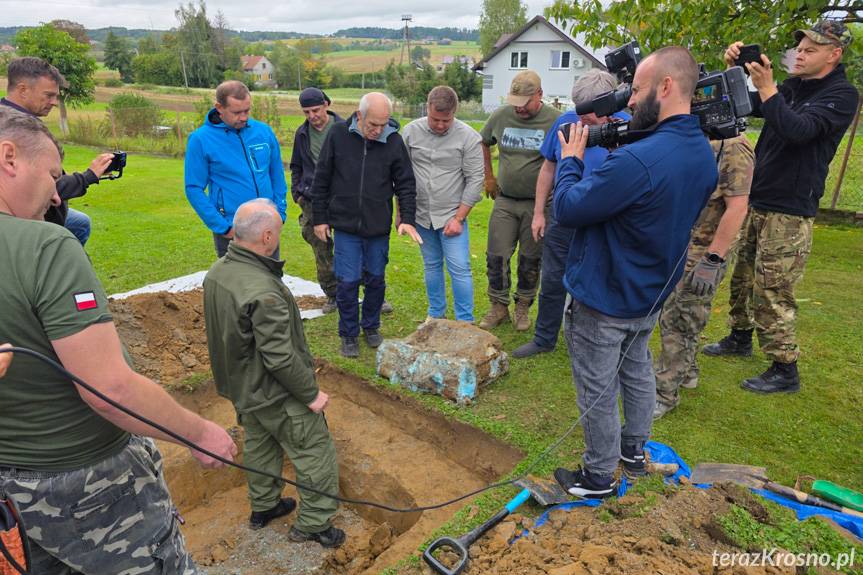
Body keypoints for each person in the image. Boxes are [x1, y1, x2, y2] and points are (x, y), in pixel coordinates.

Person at [0, 106, 237, 573]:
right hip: (88, 478)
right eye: (52, 174)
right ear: (8, 157)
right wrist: (200, 433)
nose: (55, 194)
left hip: (12, 496)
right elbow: (109, 390)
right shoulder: (45, 245)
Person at [551, 47, 718, 498]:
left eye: (638, 89)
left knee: (598, 387)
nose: (629, 101)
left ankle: (599, 476)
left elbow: (567, 208)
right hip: (649, 291)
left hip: (605, 294)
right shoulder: (701, 150)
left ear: (666, 87)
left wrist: (571, 160)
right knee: (638, 370)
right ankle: (632, 453)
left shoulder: (637, 161)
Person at [704, 21, 859, 394]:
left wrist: (769, 87)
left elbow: (798, 130)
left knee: (773, 287)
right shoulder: (792, 87)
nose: (800, 55)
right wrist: (737, 72)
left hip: (790, 207)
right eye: (800, 48)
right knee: (741, 277)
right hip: (758, 195)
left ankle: (784, 367)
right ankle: (739, 337)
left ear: (834, 55)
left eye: (810, 50)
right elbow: (752, 105)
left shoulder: (841, 95)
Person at [203, 198, 345, 548]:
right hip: (276, 393)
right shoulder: (263, 290)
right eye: (278, 234)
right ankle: (313, 524)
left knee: (261, 448)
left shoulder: (218, 271)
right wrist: (310, 395)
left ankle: (264, 507)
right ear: (266, 236)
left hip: (244, 389)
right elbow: (279, 357)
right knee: (314, 452)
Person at [511, 69, 629, 358]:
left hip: (607, 221)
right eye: (579, 111)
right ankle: (544, 338)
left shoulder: (630, 127)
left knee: (602, 282)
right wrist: (539, 213)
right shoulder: (565, 123)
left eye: (588, 114)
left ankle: (599, 345)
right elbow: (549, 167)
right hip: (565, 216)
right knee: (553, 278)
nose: (582, 119)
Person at [311, 92, 421, 358]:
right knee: (347, 282)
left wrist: (407, 219)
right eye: (373, 124)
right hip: (346, 225)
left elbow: (405, 183)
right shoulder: (337, 135)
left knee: (375, 279)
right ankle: (348, 334)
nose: (378, 130)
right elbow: (322, 177)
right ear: (359, 116)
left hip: (377, 228)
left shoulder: (393, 142)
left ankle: (370, 326)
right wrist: (320, 218)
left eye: (384, 124)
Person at [653, 135, 754, 419]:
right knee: (685, 315)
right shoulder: (699, 140)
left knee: (679, 319)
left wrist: (713, 258)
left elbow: (738, 207)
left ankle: (664, 393)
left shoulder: (735, 147)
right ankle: (687, 372)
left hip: (703, 252)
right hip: (682, 246)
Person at [2, 56, 115, 246]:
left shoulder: (22, 121)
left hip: (48, 216)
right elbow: (39, 186)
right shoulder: (11, 130)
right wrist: (89, 176)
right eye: (48, 95)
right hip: (31, 222)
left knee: (80, 223)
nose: (54, 102)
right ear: (22, 90)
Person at [479, 70, 561, 331]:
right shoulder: (501, 115)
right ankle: (498, 305)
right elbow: (484, 141)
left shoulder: (556, 120)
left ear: (539, 95)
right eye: (516, 102)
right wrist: (489, 176)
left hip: (536, 205)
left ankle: (523, 305)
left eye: (525, 103)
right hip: (505, 200)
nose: (520, 109)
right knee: (496, 255)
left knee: (530, 259)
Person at [402, 86, 483, 322]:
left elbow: (475, 180)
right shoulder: (410, 133)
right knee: (431, 265)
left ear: (454, 113)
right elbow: (401, 175)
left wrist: (459, 218)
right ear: (427, 107)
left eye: (446, 120)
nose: (440, 125)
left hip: (451, 216)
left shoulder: (468, 137)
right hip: (421, 216)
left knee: (459, 268)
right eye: (435, 119)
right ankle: (435, 316)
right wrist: (403, 214)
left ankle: (465, 322)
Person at [185, 80, 288, 258]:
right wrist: (223, 227)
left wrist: (280, 213)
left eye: (247, 110)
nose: (243, 117)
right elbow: (193, 188)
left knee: (270, 281)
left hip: (267, 226)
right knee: (236, 284)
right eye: (237, 112)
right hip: (232, 230)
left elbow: (277, 175)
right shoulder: (200, 140)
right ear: (219, 107)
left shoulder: (264, 132)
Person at [290, 88, 341, 314]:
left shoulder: (344, 129)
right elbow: (296, 167)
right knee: (321, 250)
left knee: (354, 247)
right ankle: (332, 295)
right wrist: (298, 194)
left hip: (343, 199)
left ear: (326, 105)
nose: (312, 116)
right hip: (312, 201)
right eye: (307, 111)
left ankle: (372, 294)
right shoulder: (302, 134)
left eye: (316, 110)